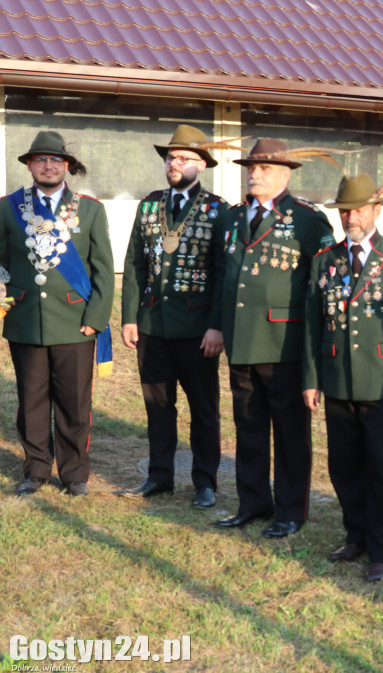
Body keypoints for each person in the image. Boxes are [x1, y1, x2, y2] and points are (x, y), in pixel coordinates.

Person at [302, 173, 383, 583]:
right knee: (342, 464)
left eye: (357, 209)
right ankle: (355, 534)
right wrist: (311, 378)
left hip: (382, 378)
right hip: (337, 376)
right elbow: (311, 324)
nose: (350, 217)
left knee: (379, 464)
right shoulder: (325, 259)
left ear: (376, 210)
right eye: (344, 210)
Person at [215, 138, 334, 538]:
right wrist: (218, 325)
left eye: (263, 168)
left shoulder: (306, 219)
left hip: (284, 341)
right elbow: (224, 278)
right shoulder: (233, 218)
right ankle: (252, 502)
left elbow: (320, 286)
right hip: (241, 339)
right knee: (248, 426)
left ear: (285, 174)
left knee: (289, 433)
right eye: (251, 167)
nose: (254, 173)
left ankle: (290, 510)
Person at [118, 125, 227, 509]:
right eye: (170, 158)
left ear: (202, 165)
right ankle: (159, 477)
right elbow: (134, 264)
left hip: (198, 329)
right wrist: (129, 316)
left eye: (183, 158)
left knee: (203, 408)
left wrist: (217, 325)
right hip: (152, 325)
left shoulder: (218, 210)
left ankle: (205, 482)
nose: (174, 164)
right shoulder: (149, 205)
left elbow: (222, 273)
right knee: (157, 407)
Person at [0, 130, 115, 497]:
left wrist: (95, 319)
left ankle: (74, 473)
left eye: (55, 160)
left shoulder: (91, 209)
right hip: (26, 319)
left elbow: (102, 269)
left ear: (66, 166)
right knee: (31, 401)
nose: (48, 166)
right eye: (40, 160)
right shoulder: (7, 207)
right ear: (30, 165)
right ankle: (35, 471)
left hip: (74, 322)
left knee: (73, 402)